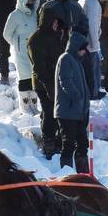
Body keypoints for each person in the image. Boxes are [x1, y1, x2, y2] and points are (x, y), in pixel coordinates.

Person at [28, 11, 65, 159]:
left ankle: (55, 140)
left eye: (58, 22)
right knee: (49, 111)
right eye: (54, 22)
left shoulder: (55, 37)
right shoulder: (36, 39)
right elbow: (39, 67)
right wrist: (49, 85)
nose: (56, 25)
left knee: (55, 112)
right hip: (43, 82)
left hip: (56, 80)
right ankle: (48, 141)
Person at [55, 31, 92, 172]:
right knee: (68, 144)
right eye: (82, 48)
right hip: (68, 112)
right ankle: (68, 176)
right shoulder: (66, 59)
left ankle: (83, 176)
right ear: (76, 46)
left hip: (78, 112)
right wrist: (77, 96)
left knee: (82, 144)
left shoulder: (77, 62)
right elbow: (65, 81)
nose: (84, 52)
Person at [4, 0, 41, 99]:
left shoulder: (35, 15)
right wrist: (17, 44)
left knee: (34, 77)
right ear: (22, 0)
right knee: (24, 78)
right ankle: (25, 108)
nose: (30, 3)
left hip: (34, 51)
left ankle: (33, 107)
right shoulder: (14, 15)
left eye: (32, 0)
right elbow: (6, 34)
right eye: (28, 0)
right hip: (21, 52)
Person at [82, 0, 104, 98]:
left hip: (85, 40)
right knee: (93, 70)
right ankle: (93, 92)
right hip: (91, 42)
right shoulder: (92, 2)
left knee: (89, 70)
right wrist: (95, 43)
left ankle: (93, 90)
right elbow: (92, 24)